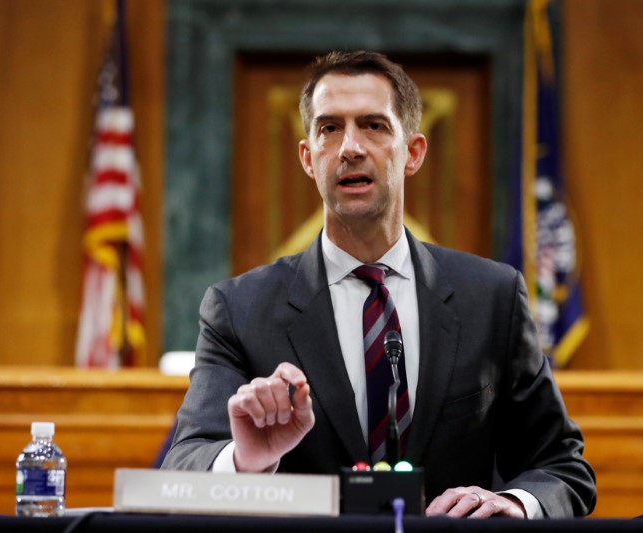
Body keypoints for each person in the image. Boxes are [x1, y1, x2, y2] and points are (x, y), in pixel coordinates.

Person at [161, 50, 596, 519]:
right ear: (308, 158)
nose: (350, 146)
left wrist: (513, 503)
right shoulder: (239, 309)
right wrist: (247, 460)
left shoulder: (491, 298)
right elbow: (181, 471)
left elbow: (562, 467)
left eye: (374, 125)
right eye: (329, 128)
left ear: (413, 152)